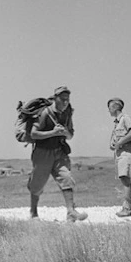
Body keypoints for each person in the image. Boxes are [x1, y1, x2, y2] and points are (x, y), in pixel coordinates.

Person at [28, 86, 88, 222]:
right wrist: (53, 133)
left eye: (67, 99)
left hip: (59, 152)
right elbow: (34, 134)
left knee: (66, 178)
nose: (65, 102)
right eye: (63, 99)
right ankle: (33, 213)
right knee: (37, 184)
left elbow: (70, 135)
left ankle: (71, 211)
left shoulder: (67, 113)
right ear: (56, 98)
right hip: (42, 153)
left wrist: (64, 132)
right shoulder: (45, 113)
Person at [107, 98, 131, 218]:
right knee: (124, 180)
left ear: (115, 107)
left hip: (126, 152)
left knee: (125, 179)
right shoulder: (117, 123)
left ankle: (127, 208)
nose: (109, 110)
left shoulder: (125, 118)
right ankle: (129, 206)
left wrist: (120, 142)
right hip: (120, 153)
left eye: (109, 108)